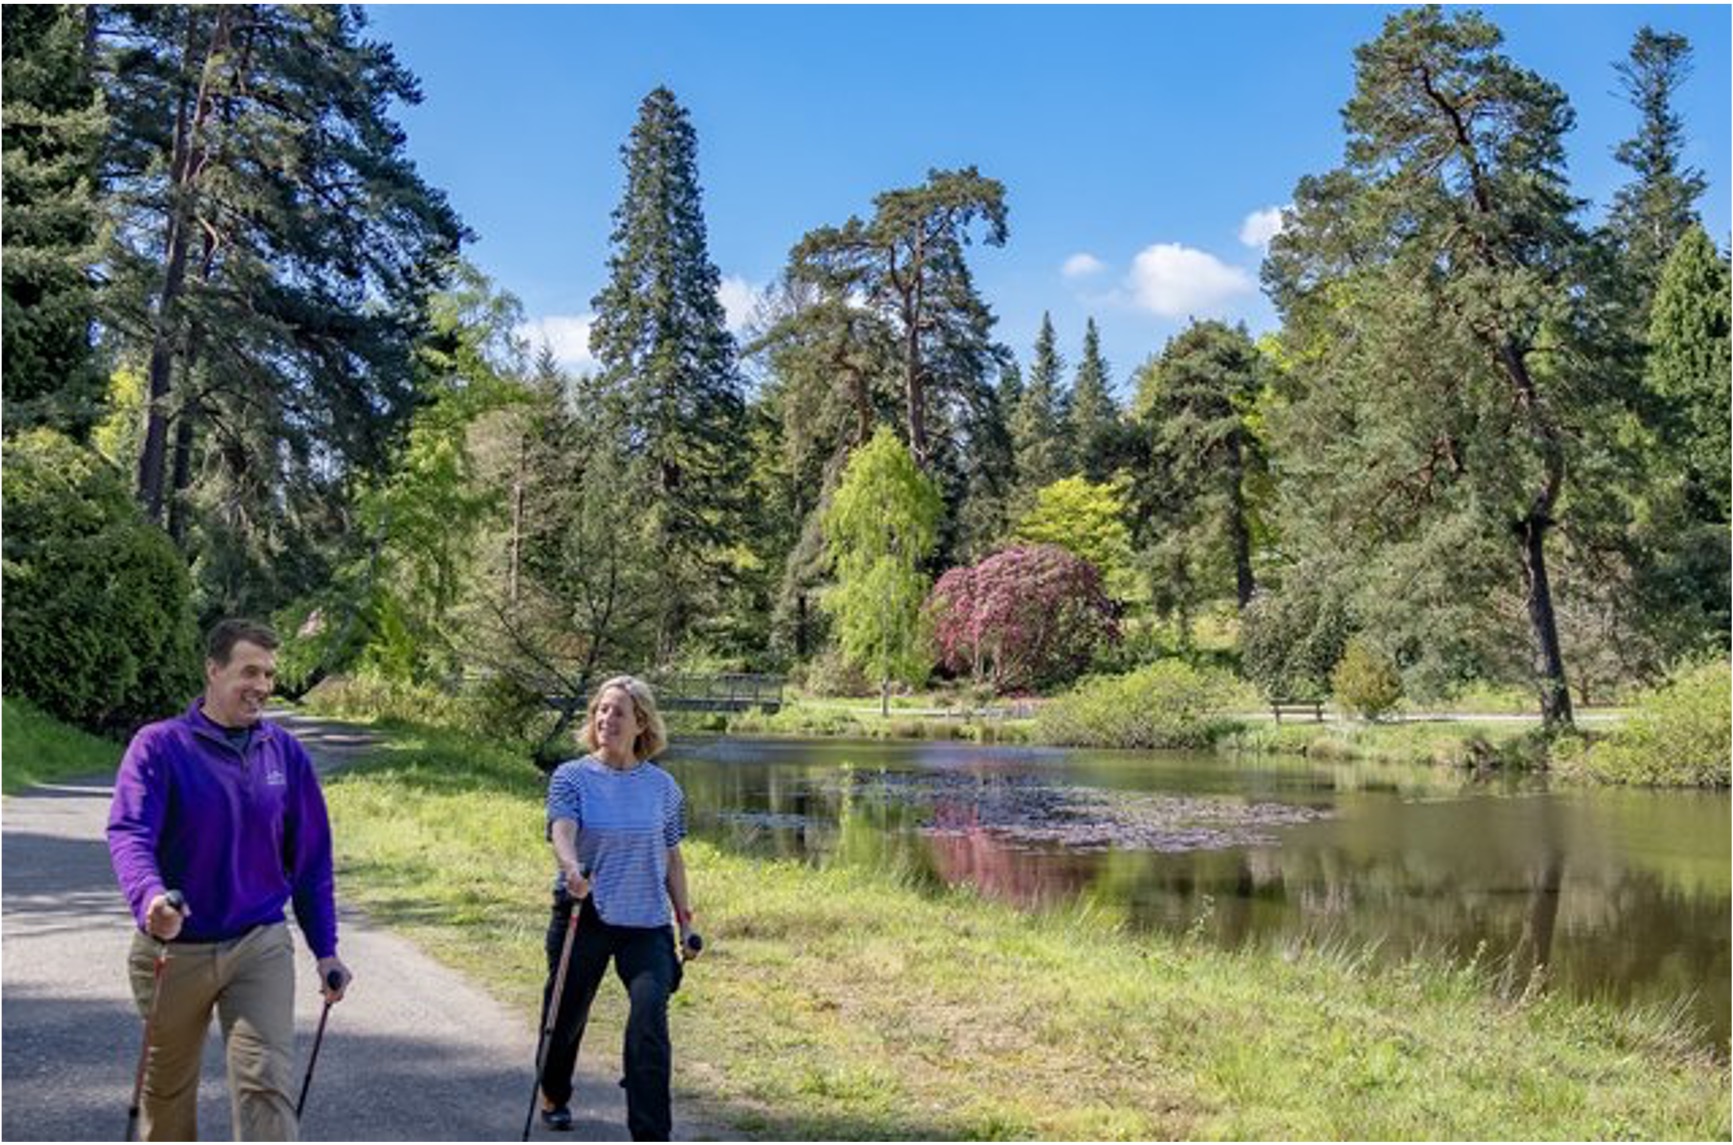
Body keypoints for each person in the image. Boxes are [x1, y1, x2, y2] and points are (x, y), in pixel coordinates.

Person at [108, 618, 350, 1141]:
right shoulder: (159, 746)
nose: (262, 686)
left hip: (258, 942)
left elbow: (311, 860)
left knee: (267, 1084)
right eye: (249, 672)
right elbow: (130, 832)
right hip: (175, 951)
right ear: (213, 670)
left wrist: (325, 949)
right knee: (166, 1093)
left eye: (268, 674)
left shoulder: (284, 752)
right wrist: (150, 898)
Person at [538, 675, 698, 1140]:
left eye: (618, 712)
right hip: (583, 913)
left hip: (646, 920)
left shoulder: (663, 788)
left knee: (650, 1016)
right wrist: (571, 870)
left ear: (641, 723)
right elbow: (562, 830)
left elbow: (672, 857)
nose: (606, 719)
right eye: (601, 711)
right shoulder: (571, 776)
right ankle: (554, 1093)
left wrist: (685, 922)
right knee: (564, 1018)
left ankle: (650, 1133)